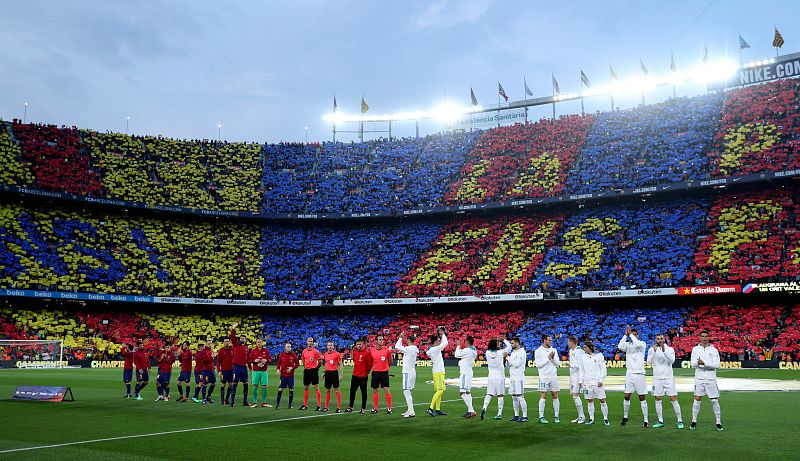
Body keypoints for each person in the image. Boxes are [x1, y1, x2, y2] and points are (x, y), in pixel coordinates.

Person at [647, 334, 684, 429]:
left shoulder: (670, 349)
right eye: (658, 339)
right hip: (657, 378)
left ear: (664, 339)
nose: (660, 340)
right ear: (656, 340)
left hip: (668, 378)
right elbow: (649, 362)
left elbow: (672, 360)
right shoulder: (652, 349)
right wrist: (654, 352)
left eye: (661, 339)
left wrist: (664, 351)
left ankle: (680, 420)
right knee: (658, 398)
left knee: (673, 398)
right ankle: (660, 421)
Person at [690, 330, 723, 431]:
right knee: (697, 399)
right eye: (702, 336)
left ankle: (718, 422)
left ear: (709, 337)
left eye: (706, 336)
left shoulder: (713, 350)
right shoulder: (695, 349)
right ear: (699, 337)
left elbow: (716, 365)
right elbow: (692, 363)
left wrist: (704, 363)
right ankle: (694, 421)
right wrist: (699, 363)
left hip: (710, 378)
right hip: (699, 378)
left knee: (714, 400)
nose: (704, 338)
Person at [618, 325, 649, 427]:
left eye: (635, 335)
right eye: (632, 334)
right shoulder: (628, 345)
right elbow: (619, 346)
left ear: (637, 336)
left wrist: (630, 335)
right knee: (626, 396)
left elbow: (636, 342)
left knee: (642, 397)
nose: (633, 336)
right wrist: (625, 335)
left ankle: (645, 420)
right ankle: (625, 417)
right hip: (630, 374)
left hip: (640, 373)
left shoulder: (642, 344)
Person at [480, 336, 511, 420]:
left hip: (491, 377)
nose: (499, 344)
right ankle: (499, 414)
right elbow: (509, 347)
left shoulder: (487, 353)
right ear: (495, 345)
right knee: (500, 395)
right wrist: (504, 340)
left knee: (489, 394)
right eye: (498, 343)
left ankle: (484, 408)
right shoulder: (500, 352)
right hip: (500, 377)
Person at [578, 341, 609, 426]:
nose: (584, 349)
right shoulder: (582, 357)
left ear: (590, 347)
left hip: (597, 382)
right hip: (587, 383)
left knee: (602, 400)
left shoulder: (599, 356)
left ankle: (605, 418)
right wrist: (581, 381)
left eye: (585, 347)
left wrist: (601, 380)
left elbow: (603, 369)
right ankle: (591, 418)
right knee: (589, 401)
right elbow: (581, 370)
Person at [534, 334, 561, 424]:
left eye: (551, 340)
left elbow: (557, 364)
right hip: (543, 376)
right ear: (544, 341)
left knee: (555, 395)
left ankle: (556, 416)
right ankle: (541, 416)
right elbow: (538, 365)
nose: (551, 342)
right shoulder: (538, 351)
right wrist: (548, 358)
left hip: (553, 375)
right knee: (543, 395)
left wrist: (552, 359)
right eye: (549, 340)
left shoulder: (554, 350)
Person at [394, 331, 419, 418]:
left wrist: (400, 337)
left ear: (409, 341)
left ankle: (411, 411)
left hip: (407, 372)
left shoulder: (408, 349)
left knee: (406, 391)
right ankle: (409, 410)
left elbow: (397, 346)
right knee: (409, 391)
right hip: (412, 372)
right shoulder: (415, 349)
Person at [426, 327, 448, 417]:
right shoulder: (435, 349)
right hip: (438, 372)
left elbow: (443, 343)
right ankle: (430, 408)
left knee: (439, 391)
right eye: (438, 340)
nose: (439, 341)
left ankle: (438, 409)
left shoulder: (432, 349)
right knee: (440, 390)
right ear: (435, 341)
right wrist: (443, 334)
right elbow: (445, 343)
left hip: (437, 371)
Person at [454, 335, 478, 418]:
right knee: (467, 392)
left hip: (464, 373)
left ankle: (471, 411)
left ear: (467, 342)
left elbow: (456, 355)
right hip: (469, 373)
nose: (464, 343)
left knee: (462, 393)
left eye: (465, 342)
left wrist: (458, 346)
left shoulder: (467, 350)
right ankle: (469, 411)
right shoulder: (474, 350)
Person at [346, 338, 372, 414]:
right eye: (357, 344)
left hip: (363, 376)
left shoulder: (366, 353)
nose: (358, 345)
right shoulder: (354, 352)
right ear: (356, 345)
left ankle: (363, 408)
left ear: (362, 344)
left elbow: (370, 365)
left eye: (360, 344)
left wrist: (366, 373)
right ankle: (350, 407)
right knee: (352, 391)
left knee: (363, 392)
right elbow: (355, 361)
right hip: (355, 375)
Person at [369, 334, 393, 414]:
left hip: (384, 373)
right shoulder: (372, 350)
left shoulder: (386, 350)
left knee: (386, 390)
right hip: (375, 372)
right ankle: (375, 408)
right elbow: (370, 361)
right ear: (376, 341)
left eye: (382, 339)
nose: (382, 341)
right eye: (380, 339)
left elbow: (390, 361)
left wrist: (386, 367)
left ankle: (389, 408)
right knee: (375, 390)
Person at [228, 323, 250, 407]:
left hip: (244, 368)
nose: (241, 339)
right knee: (235, 384)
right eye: (241, 338)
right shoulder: (236, 344)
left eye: (243, 338)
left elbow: (247, 359)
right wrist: (233, 328)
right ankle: (232, 401)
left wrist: (250, 368)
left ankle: (245, 401)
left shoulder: (247, 348)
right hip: (237, 367)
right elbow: (232, 337)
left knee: (245, 384)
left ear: (245, 339)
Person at [507, 336, 528, 422]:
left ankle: (525, 416)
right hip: (512, 376)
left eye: (512, 343)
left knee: (520, 396)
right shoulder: (513, 353)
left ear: (517, 343)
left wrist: (507, 358)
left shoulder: (522, 352)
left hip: (519, 377)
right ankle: (516, 415)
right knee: (514, 397)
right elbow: (509, 365)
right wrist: (506, 360)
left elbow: (516, 364)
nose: (511, 345)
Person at [300, 337, 323, 411]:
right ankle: (305, 405)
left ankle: (319, 405)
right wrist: (306, 366)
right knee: (306, 387)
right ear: (307, 342)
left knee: (316, 388)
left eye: (311, 341)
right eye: (309, 341)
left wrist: (316, 368)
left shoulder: (316, 351)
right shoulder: (304, 351)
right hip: (307, 371)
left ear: (313, 343)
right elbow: (303, 360)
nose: (310, 343)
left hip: (314, 371)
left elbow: (320, 361)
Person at [567, 335, 586, 423]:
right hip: (572, 377)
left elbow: (581, 365)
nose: (568, 343)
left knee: (575, 396)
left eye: (568, 342)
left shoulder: (580, 351)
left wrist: (572, 366)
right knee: (574, 396)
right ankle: (580, 416)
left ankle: (582, 416)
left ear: (572, 342)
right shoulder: (571, 351)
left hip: (578, 376)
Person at [275, 342, 299, 409]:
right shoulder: (281, 355)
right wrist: (277, 369)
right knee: (280, 389)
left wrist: (292, 368)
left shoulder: (293, 355)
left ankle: (289, 405)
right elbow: (278, 363)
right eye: (288, 347)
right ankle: (277, 404)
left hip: (290, 376)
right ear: (285, 348)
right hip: (283, 376)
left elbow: (297, 364)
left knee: (291, 389)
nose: (289, 348)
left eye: (290, 347)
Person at [249, 337, 271, 408]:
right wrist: (255, 361)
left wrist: (265, 360)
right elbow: (249, 360)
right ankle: (254, 402)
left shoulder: (266, 351)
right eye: (258, 342)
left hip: (264, 371)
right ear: (256, 343)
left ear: (262, 343)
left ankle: (264, 402)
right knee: (255, 386)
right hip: (255, 371)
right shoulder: (253, 351)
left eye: (260, 342)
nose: (259, 343)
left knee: (264, 386)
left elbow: (270, 359)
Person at [322, 340, 343, 413]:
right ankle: (326, 407)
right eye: (329, 345)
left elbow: (340, 364)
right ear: (327, 346)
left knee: (337, 390)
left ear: (333, 346)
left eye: (331, 345)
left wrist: (340, 374)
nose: (330, 347)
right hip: (328, 373)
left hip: (334, 373)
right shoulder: (325, 354)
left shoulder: (337, 354)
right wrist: (324, 372)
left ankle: (338, 407)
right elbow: (326, 364)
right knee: (327, 390)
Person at [217, 337, 234, 405]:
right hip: (224, 370)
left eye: (227, 341)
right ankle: (222, 400)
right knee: (223, 385)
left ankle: (226, 399)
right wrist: (219, 371)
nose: (226, 343)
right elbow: (218, 362)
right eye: (225, 342)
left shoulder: (232, 350)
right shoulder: (221, 351)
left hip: (231, 370)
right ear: (223, 343)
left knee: (230, 385)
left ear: (229, 342)